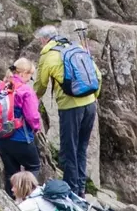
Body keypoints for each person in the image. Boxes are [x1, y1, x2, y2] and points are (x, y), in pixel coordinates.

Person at [33, 31, 101, 199]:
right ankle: (81, 189)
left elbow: (40, 85)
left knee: (69, 150)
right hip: (90, 104)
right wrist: (93, 96)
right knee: (81, 148)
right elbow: (97, 75)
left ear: (44, 39)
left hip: (70, 108)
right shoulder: (76, 47)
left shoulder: (48, 56)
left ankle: (71, 192)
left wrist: (30, 102)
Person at [0, 63, 42, 186]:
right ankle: (27, 200)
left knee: (11, 173)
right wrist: (37, 128)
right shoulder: (25, 91)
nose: (29, 81)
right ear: (22, 73)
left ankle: (11, 202)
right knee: (34, 167)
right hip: (22, 139)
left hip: (1, 140)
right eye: (30, 76)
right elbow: (32, 116)